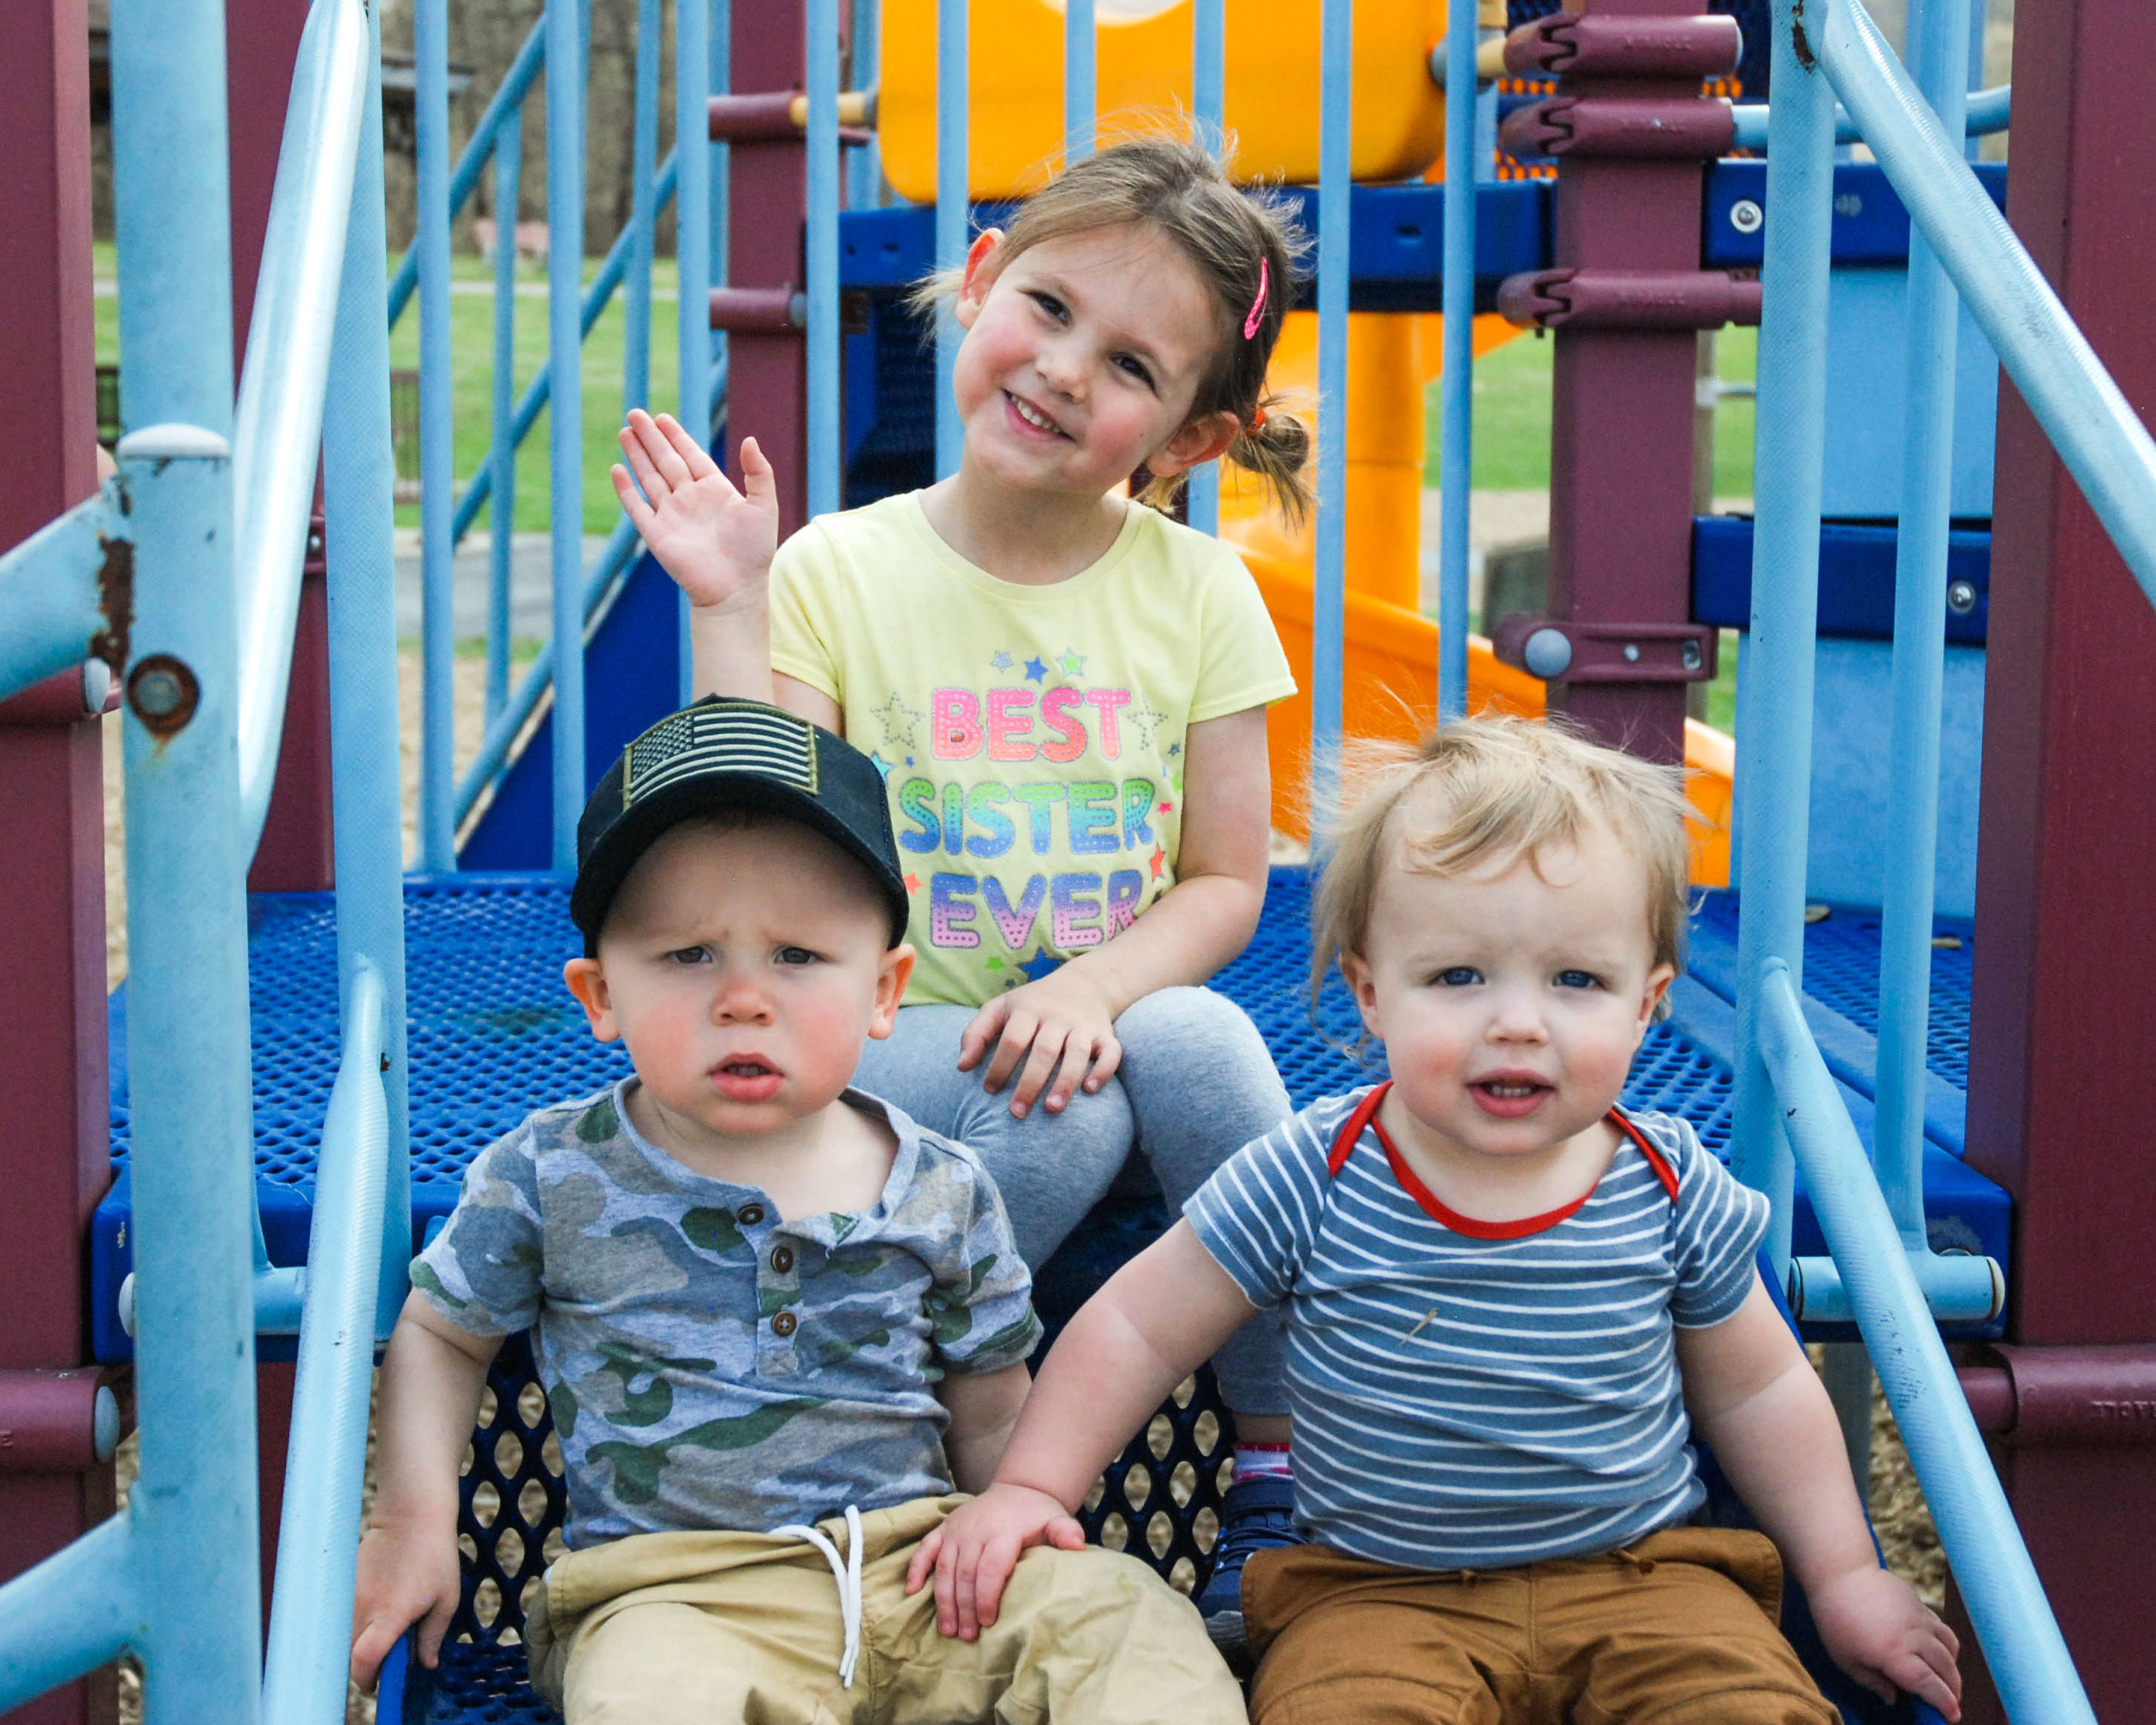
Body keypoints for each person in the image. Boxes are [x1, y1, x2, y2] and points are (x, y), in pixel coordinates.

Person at [910, 715, 1966, 1724]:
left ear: (1646, 1004)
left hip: (1643, 1579)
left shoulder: (1667, 1182)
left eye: (1576, 980)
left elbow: (1759, 1387)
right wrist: (1031, 1487)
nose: (1517, 1022)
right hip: (1374, 1592)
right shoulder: (1314, 1172)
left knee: (1743, 1707)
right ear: (1372, 994)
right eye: (1458, 976)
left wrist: (1843, 1576)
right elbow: (1139, 1326)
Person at [612, 132, 1317, 1637]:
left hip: (1089, 1038)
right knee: (1076, 1099)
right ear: (982, 280)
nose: (1062, 369)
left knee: (1194, 1041)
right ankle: (873, 1385)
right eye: (1049, 307)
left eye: (1129, 365)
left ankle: (1285, 1464)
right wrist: (733, 603)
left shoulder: (1200, 593)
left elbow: (1224, 882)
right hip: (888, 1053)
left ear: (1190, 438)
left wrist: (1091, 990)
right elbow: (765, 852)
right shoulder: (835, 571)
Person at [347, 698, 1243, 1724]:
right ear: (600, 997)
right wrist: (411, 1525)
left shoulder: (944, 1188)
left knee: (1126, 1619)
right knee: (647, 1703)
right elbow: (444, 1335)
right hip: (671, 1600)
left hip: (920, 1579)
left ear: (885, 991)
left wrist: (1007, 1515)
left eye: (798, 956)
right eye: (688, 955)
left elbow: (991, 1409)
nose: (743, 997)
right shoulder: (551, 1173)